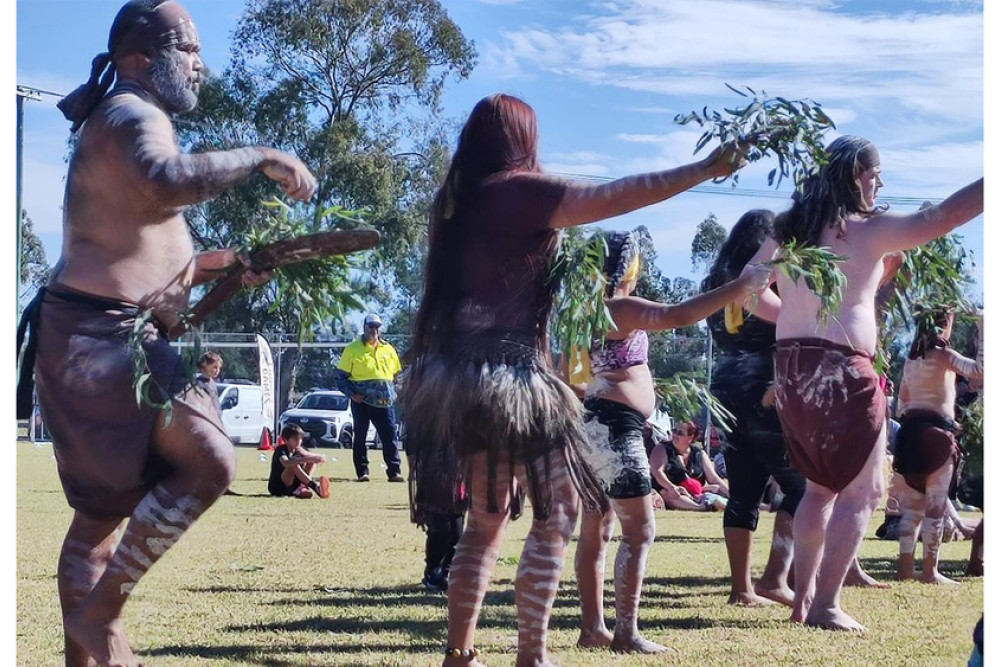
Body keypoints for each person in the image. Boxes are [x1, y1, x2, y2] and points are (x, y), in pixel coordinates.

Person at [13, 2, 317, 665]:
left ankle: (91, 650)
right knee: (210, 456)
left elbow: (151, 255)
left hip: (86, 333)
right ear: (138, 61)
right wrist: (263, 156)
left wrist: (228, 265)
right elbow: (166, 180)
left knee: (96, 526)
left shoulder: (123, 120)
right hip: (104, 336)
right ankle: (100, 619)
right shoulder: (131, 115)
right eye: (189, 48)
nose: (201, 64)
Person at [402, 93, 750, 667]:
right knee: (557, 514)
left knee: (484, 523)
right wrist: (703, 169)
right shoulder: (519, 190)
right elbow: (616, 195)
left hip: (459, 376)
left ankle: (460, 654)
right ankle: (531, 655)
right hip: (512, 380)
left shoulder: (454, 202)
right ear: (521, 140)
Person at [742, 135, 982, 631]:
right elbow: (942, 219)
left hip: (790, 369)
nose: (881, 183)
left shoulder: (790, 229)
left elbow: (747, 287)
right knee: (863, 490)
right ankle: (825, 604)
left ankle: (803, 599)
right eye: (875, 174)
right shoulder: (862, 229)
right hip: (842, 370)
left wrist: (791, 316)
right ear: (855, 174)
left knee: (818, 488)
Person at [573, 231, 769, 653]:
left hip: (594, 425)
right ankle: (625, 632)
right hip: (614, 429)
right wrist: (740, 286)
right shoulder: (618, 306)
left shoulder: (585, 310)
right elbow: (677, 315)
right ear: (626, 266)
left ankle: (593, 629)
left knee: (598, 528)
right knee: (640, 530)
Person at [703, 209, 806, 607]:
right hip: (766, 386)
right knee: (801, 485)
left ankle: (741, 587)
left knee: (743, 490)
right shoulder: (767, 275)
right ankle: (775, 578)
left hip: (725, 387)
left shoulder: (717, 281)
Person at [894, 310, 982, 583]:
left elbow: (902, 403)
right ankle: (930, 571)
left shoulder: (911, 361)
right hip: (937, 437)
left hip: (910, 435)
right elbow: (980, 371)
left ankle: (905, 568)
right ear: (943, 326)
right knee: (934, 507)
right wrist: (984, 327)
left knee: (913, 508)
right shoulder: (944, 356)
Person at [334, 313, 404, 482]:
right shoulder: (352, 349)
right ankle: (362, 472)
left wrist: (395, 392)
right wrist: (352, 394)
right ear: (364, 327)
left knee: (390, 437)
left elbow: (397, 375)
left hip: (385, 403)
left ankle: (394, 472)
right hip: (362, 402)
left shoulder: (389, 349)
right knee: (360, 437)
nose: (374, 330)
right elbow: (339, 377)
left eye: (376, 327)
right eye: (370, 326)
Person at [268, 424, 331, 500]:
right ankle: (316, 488)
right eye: (295, 439)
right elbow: (286, 463)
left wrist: (315, 457)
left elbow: (315, 457)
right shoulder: (281, 450)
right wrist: (305, 459)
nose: (299, 441)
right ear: (285, 440)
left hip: (293, 485)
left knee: (311, 460)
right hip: (279, 487)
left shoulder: (300, 450)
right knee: (293, 464)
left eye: (300, 438)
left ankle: (302, 487)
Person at [195, 351, 224, 416]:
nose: (217, 370)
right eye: (215, 367)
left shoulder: (212, 383)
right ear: (205, 365)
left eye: (219, 368)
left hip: (216, 419)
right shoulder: (199, 384)